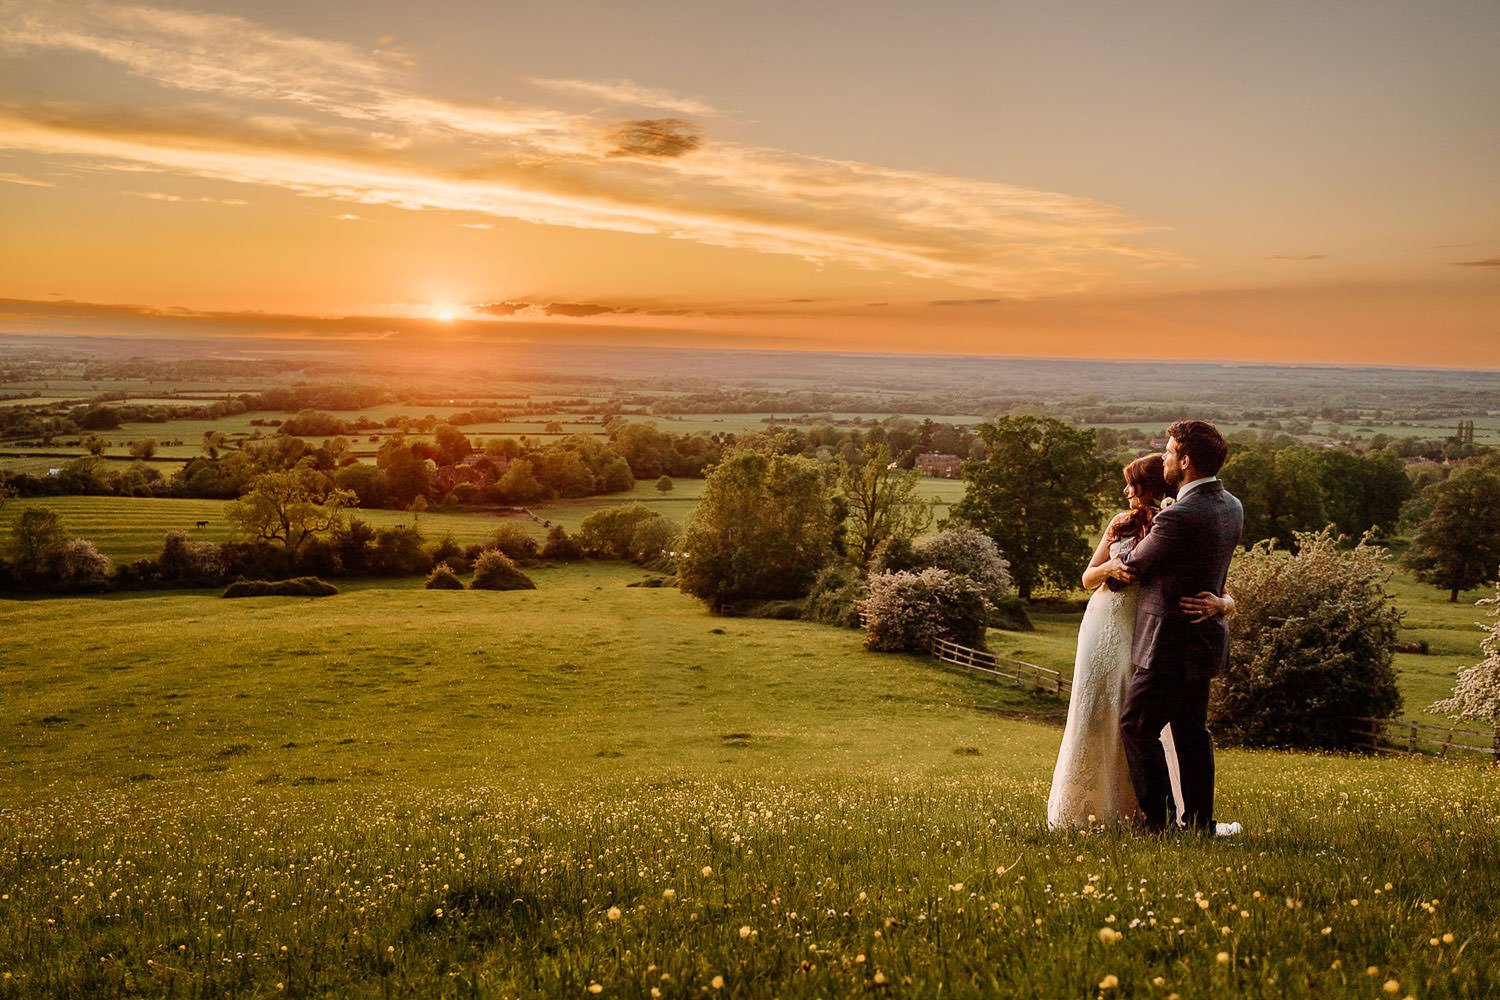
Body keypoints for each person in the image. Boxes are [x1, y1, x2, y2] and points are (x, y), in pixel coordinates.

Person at [1047, 454, 1232, 829]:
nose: (1127, 491)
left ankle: (1151, 815)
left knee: (1140, 720)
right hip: (1105, 625)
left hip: (1149, 632)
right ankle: (1097, 803)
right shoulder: (1121, 523)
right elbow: (1087, 577)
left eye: (1135, 484)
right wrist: (1108, 569)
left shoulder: (1176, 520)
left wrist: (1225, 602)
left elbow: (1211, 577)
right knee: (1102, 711)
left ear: (1154, 487)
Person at [1111, 420, 1244, 835]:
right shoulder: (1231, 504)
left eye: (1168, 451)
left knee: (1137, 725)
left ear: (1185, 461)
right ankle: (1200, 823)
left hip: (1168, 642)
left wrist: (1116, 542)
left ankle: (1160, 824)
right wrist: (1225, 601)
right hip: (1202, 638)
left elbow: (1132, 568)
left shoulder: (1180, 516)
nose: (1164, 456)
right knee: (1191, 731)